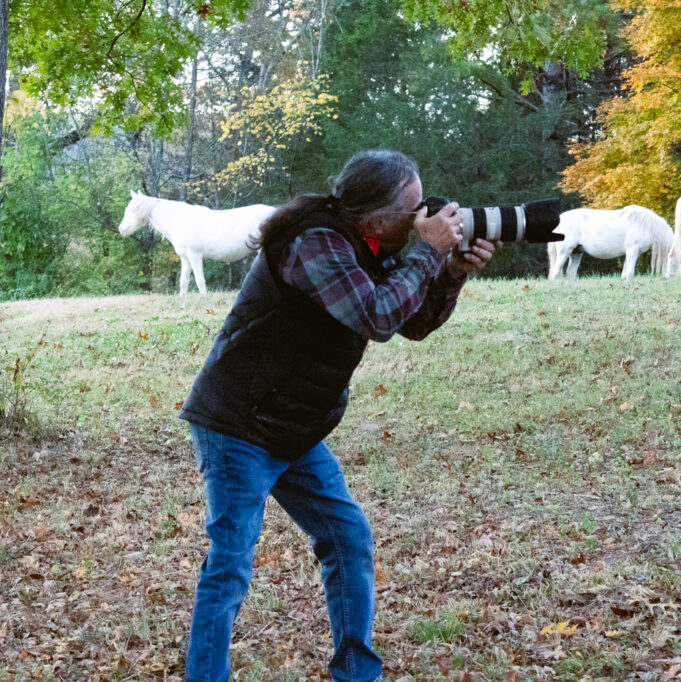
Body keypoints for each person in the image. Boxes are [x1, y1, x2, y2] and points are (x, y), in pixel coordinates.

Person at [178, 149, 499, 682]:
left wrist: (452, 273)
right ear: (376, 217)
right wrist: (427, 250)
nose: (426, 217)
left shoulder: (377, 243)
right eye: (415, 209)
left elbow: (410, 323)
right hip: (237, 423)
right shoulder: (315, 242)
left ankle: (357, 674)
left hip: (294, 426)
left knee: (347, 539)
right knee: (230, 564)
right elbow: (375, 316)